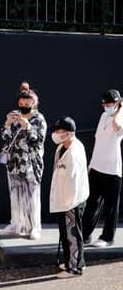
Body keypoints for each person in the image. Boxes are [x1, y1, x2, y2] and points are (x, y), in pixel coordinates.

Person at [0, 88, 47, 240]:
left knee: (32, 194)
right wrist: (7, 124)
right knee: (15, 193)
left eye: (27, 103)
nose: (23, 105)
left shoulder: (39, 119)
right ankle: (16, 225)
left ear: (34, 103)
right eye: (21, 103)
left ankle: (34, 227)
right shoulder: (15, 116)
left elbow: (39, 140)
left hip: (31, 163)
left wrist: (28, 126)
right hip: (14, 162)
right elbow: (6, 138)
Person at [82, 89, 123, 248]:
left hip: (112, 169)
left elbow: (117, 126)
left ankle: (107, 237)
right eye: (104, 103)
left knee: (110, 206)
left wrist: (121, 109)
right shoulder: (103, 116)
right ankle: (85, 235)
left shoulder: (120, 117)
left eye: (110, 103)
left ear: (117, 103)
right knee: (92, 203)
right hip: (97, 166)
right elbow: (98, 142)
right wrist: (91, 164)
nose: (106, 106)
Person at [49, 117, 89, 278]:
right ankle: (74, 262)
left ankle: (75, 268)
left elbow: (75, 180)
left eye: (60, 131)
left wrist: (68, 203)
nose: (57, 134)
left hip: (72, 200)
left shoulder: (74, 152)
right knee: (66, 233)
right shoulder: (61, 148)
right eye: (56, 131)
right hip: (64, 199)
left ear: (69, 133)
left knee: (72, 234)